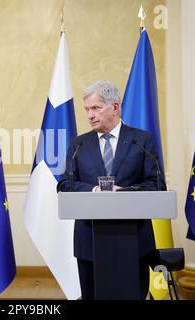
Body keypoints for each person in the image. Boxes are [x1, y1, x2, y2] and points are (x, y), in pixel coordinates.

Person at [57, 80, 166, 300]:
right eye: (87, 109)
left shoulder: (141, 140)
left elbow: (156, 184)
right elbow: (65, 184)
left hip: (134, 239)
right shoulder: (78, 145)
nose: (90, 115)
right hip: (90, 240)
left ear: (115, 107)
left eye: (96, 108)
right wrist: (95, 190)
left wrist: (122, 193)